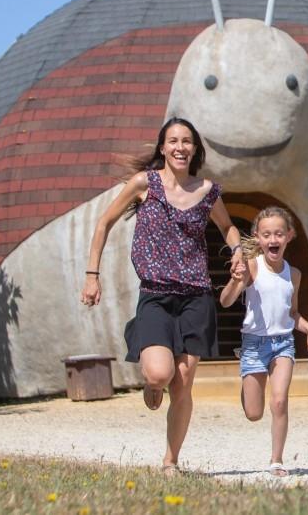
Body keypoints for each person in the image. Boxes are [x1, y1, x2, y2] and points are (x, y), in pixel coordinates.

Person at [80, 116, 241, 473]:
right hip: (155, 294)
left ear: (195, 149)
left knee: (183, 384)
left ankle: (171, 462)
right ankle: (151, 372)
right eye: (173, 141)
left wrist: (238, 251)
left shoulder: (208, 190)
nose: (180, 147)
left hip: (196, 296)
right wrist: (92, 275)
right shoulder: (144, 184)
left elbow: (227, 227)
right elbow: (104, 222)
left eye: (187, 141)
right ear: (162, 148)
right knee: (158, 375)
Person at [219, 206, 308, 477]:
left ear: (289, 236)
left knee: (279, 402)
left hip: (282, 344)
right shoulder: (252, 268)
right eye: (267, 235)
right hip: (253, 344)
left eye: (279, 234)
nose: (273, 240)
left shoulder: (294, 275)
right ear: (258, 237)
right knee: (254, 413)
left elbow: (293, 313)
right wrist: (235, 282)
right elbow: (226, 301)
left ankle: (277, 460)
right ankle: (247, 383)